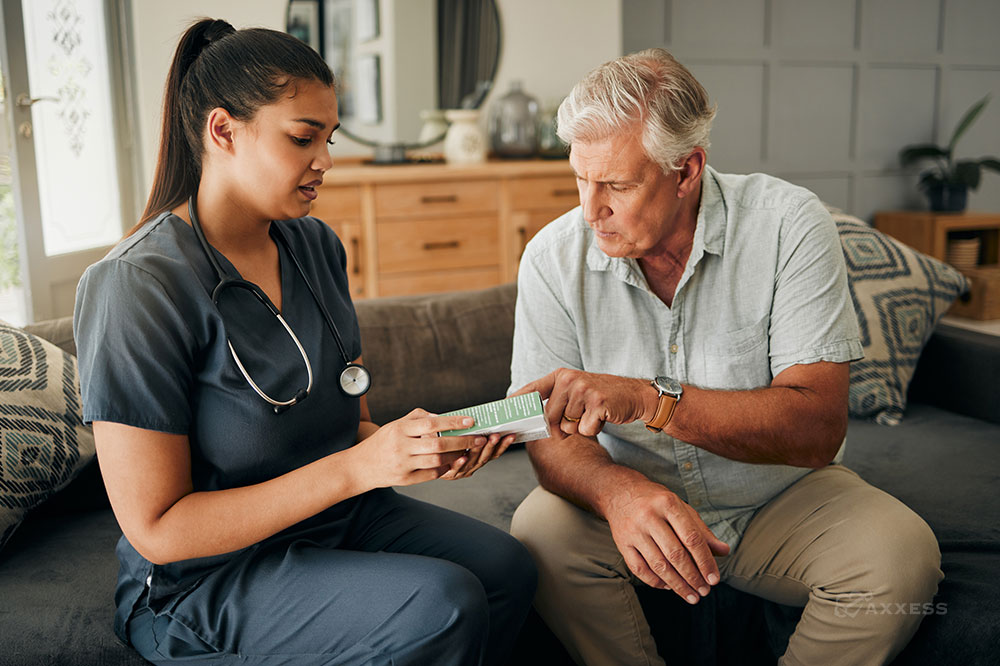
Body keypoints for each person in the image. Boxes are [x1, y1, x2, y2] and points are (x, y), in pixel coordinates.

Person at [73, 19, 535, 665]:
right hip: (206, 577)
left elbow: (354, 425)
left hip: (337, 522)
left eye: (329, 137)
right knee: (443, 601)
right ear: (223, 131)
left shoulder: (315, 246)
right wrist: (359, 469)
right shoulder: (135, 286)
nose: (326, 160)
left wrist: (424, 444)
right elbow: (157, 529)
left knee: (506, 567)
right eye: (303, 138)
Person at [508, 48, 942, 666]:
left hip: (780, 497)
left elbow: (816, 426)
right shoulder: (552, 258)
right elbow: (546, 433)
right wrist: (617, 494)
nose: (589, 208)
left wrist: (649, 400)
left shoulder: (790, 225)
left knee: (900, 560)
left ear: (687, 170)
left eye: (617, 185)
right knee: (538, 534)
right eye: (581, 177)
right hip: (635, 494)